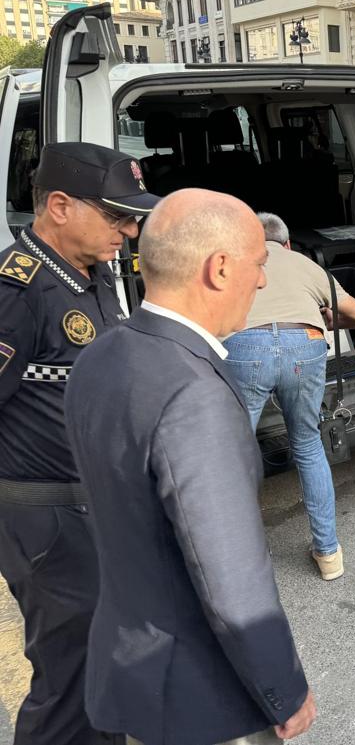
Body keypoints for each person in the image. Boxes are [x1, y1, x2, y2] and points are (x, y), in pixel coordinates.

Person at [64, 189, 316, 744]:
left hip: (131, 664)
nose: (263, 281)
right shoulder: (193, 392)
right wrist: (285, 689)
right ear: (220, 268)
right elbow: (231, 577)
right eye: (260, 264)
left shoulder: (99, 355)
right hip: (197, 696)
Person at [0, 142, 160, 745]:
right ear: (60, 206)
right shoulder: (17, 290)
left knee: (105, 664)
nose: (131, 227)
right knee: (71, 680)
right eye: (117, 214)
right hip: (49, 519)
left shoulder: (88, 276)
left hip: (90, 506)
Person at [225, 212, 355, 581]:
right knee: (307, 443)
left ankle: (233, 561)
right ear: (287, 243)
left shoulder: (235, 262)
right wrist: (329, 320)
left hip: (245, 348)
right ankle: (328, 556)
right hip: (304, 344)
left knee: (233, 454)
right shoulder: (305, 264)